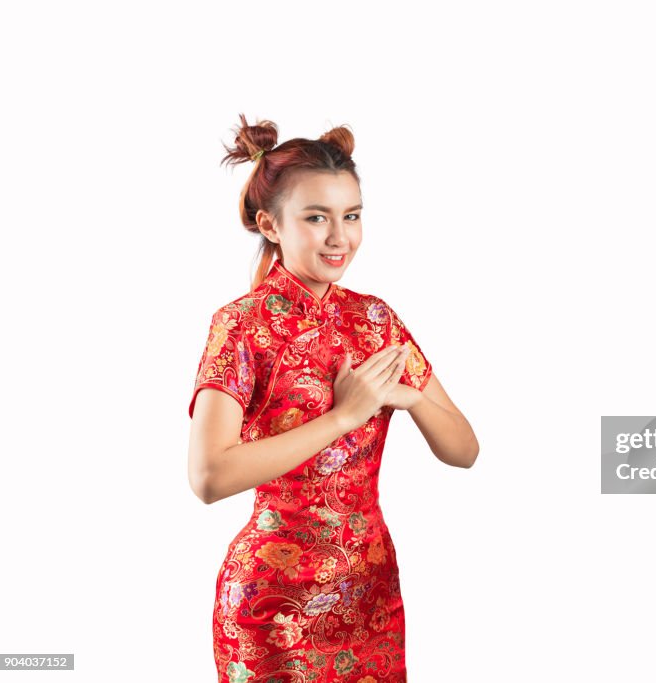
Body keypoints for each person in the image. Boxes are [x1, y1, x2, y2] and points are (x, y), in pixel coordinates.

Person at [186, 114, 478, 682]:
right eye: (316, 218)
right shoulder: (242, 326)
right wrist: (346, 416)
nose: (339, 237)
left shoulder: (374, 320)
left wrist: (410, 399)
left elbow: (465, 451)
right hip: (272, 609)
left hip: (369, 594)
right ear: (271, 224)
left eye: (351, 216)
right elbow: (208, 477)